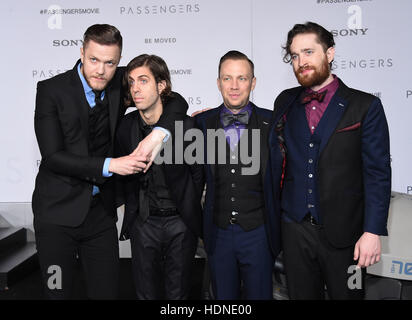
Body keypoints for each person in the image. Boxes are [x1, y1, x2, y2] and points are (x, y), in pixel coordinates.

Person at [32, 24, 188, 299]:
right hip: (56, 217)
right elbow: (53, 157)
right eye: (93, 60)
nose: (101, 70)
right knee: (56, 293)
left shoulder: (119, 82)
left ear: (118, 61)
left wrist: (158, 136)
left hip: (100, 218)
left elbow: (173, 100)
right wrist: (111, 164)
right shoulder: (51, 90)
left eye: (110, 63)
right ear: (82, 52)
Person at [270, 21, 391, 299]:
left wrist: (372, 231)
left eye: (309, 52)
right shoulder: (285, 102)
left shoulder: (364, 106)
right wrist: (207, 120)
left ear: (330, 53)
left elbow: (377, 173)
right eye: (295, 55)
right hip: (295, 232)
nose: (301, 62)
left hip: (347, 237)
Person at [115, 54, 203, 299]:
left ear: (161, 85)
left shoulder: (186, 126)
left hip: (180, 223)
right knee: (145, 294)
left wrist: (188, 214)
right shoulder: (125, 126)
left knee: (179, 294)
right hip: (143, 222)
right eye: (131, 82)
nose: (135, 89)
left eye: (143, 80)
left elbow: (198, 175)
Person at [194, 50, 281, 300]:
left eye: (242, 78)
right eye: (227, 78)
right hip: (217, 234)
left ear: (253, 83)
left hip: (259, 234)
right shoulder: (201, 124)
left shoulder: (273, 122)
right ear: (218, 82)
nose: (234, 86)